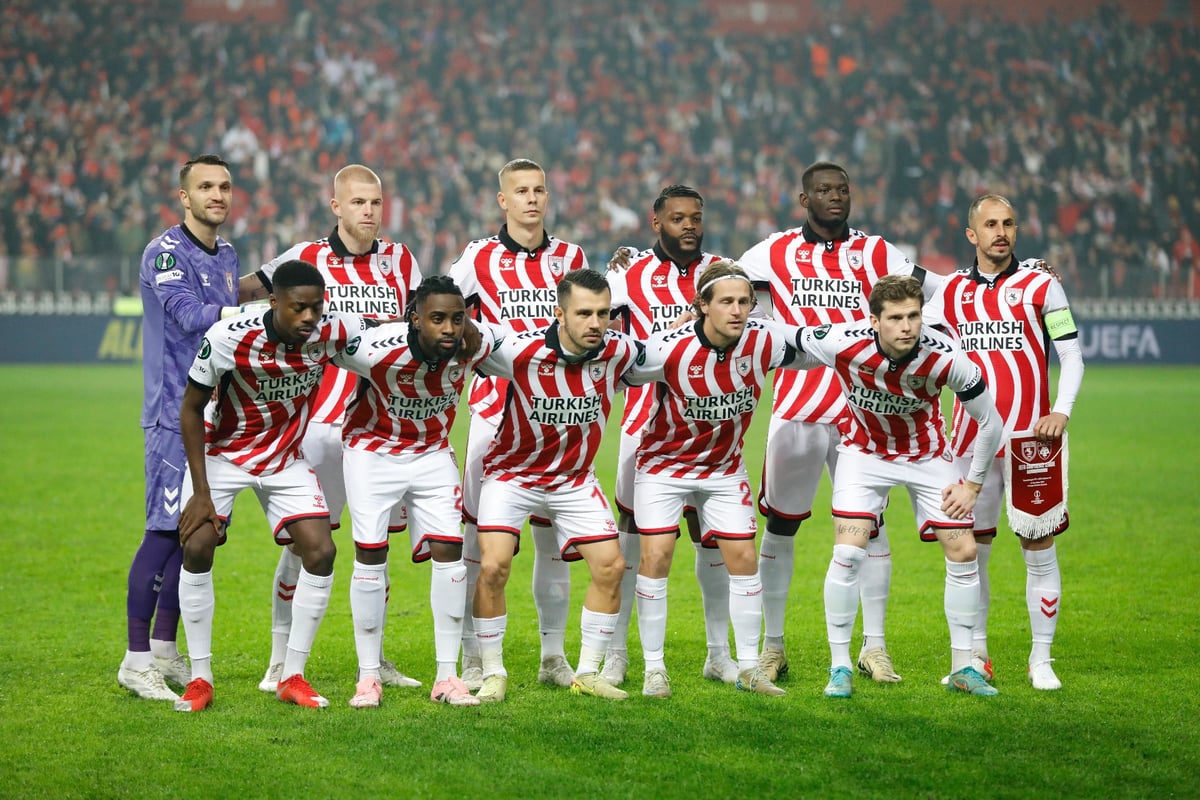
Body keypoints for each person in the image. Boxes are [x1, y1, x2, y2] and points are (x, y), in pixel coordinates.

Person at [737, 161, 946, 684]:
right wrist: (633, 263)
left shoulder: (877, 252)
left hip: (864, 415)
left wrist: (1015, 272)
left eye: (843, 189)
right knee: (781, 525)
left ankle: (874, 647)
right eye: (824, 190)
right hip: (797, 410)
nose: (835, 197)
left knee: (870, 529)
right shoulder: (774, 251)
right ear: (804, 200)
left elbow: (940, 288)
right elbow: (718, 281)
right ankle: (773, 646)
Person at [239, 164, 422, 693]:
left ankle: (376, 659)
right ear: (337, 206)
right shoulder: (306, 257)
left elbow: (420, 325)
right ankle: (279, 661)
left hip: (381, 426)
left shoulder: (401, 260)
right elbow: (247, 291)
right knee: (303, 545)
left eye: (376, 202)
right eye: (358, 202)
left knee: (374, 547)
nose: (369, 211)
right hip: (318, 424)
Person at [787, 274, 1004, 698]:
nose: (907, 327)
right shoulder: (843, 341)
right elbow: (785, 338)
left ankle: (964, 667)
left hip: (928, 457)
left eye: (913, 316)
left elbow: (989, 421)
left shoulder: (946, 357)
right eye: (895, 318)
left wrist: (973, 486)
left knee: (964, 551)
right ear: (874, 321)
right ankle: (840, 667)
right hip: (863, 456)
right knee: (848, 552)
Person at [174, 260, 367, 712]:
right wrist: (201, 493)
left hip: (285, 458)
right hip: (224, 455)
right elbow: (190, 409)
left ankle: (291, 675)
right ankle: (200, 679)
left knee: (321, 552)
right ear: (273, 302)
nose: (309, 318)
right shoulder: (229, 338)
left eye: (316, 308)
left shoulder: (332, 330)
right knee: (197, 546)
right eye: (298, 308)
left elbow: (384, 333)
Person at [627, 261, 808, 699]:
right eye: (726, 301)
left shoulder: (766, 338)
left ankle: (747, 667)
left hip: (724, 468)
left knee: (743, 558)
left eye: (744, 301)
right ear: (702, 305)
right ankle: (654, 669)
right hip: (663, 466)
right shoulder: (668, 347)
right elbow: (622, 371)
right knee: (657, 557)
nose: (738, 310)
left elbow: (819, 347)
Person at [449, 158, 589, 690]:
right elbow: (443, 307)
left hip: (558, 416)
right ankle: (472, 655)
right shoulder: (479, 257)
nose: (532, 199)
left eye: (539, 190)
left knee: (552, 539)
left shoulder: (571, 257)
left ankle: (552, 657)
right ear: (503, 201)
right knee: (477, 539)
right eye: (521, 191)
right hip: (494, 414)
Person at [470, 269, 636, 703]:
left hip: (573, 480)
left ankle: (587, 673)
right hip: (512, 475)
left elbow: (668, 353)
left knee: (611, 567)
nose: (595, 323)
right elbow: (464, 342)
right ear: (559, 314)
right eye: (584, 313)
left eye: (603, 313)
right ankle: (492, 672)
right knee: (493, 567)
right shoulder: (519, 350)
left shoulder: (619, 351)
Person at [939, 194, 1084, 691]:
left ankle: (1041, 659)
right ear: (972, 234)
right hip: (969, 441)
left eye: (1008, 223)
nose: (1000, 232)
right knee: (970, 552)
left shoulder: (1042, 285)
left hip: (1031, 442)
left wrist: (1061, 410)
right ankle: (976, 655)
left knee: (1038, 547)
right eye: (990, 225)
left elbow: (1071, 355)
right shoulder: (950, 292)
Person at [331, 275, 494, 708]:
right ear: (415, 319)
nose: (449, 328)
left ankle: (447, 677)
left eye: (457, 319)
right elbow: (323, 340)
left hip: (432, 452)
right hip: (372, 451)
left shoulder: (474, 344)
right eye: (437, 318)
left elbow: (520, 348)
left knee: (450, 553)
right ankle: (368, 676)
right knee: (370, 553)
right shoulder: (375, 349)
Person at [601, 184, 738, 687]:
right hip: (645, 427)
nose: (689, 226)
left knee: (712, 542)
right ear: (656, 222)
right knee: (632, 540)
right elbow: (605, 336)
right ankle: (617, 653)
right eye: (678, 218)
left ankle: (718, 654)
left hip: (711, 429)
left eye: (696, 217)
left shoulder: (723, 270)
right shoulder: (628, 272)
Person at [119, 154, 241, 702]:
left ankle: (165, 648)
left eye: (224, 186)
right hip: (173, 414)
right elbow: (190, 315)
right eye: (205, 187)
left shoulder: (228, 254)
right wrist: (253, 315)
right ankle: (135, 660)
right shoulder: (164, 252)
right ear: (184, 197)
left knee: (196, 532)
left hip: (214, 415)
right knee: (164, 531)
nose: (217, 195)